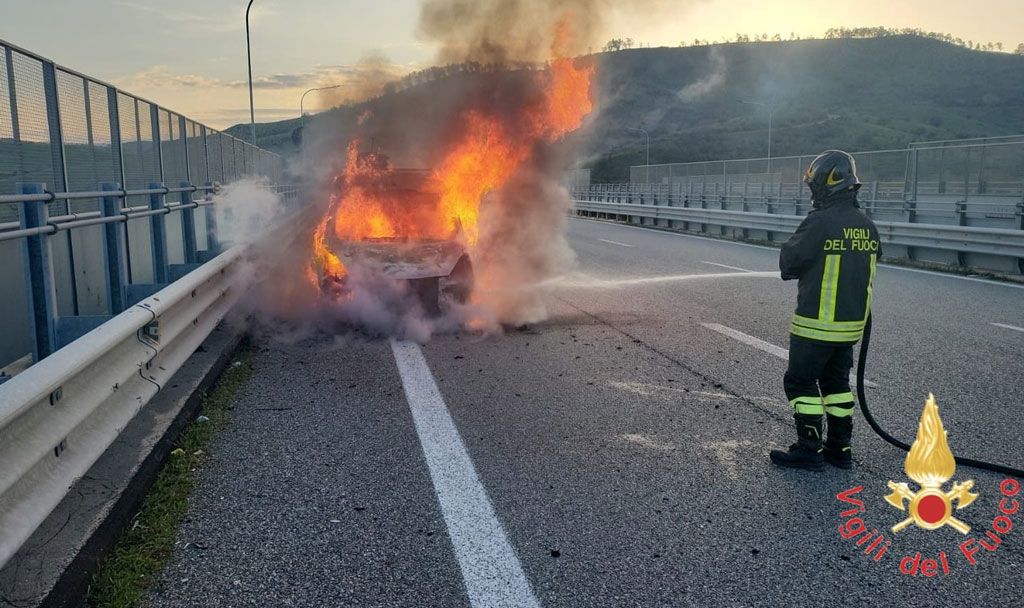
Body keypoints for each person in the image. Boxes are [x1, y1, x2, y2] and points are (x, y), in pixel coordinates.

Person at [770, 150, 881, 471]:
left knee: (800, 383)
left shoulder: (819, 222)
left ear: (827, 185)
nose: (813, 193)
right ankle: (839, 448)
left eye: (814, 187)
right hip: (849, 328)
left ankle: (809, 449)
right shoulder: (867, 225)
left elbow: (790, 264)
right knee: (836, 386)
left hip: (816, 324)